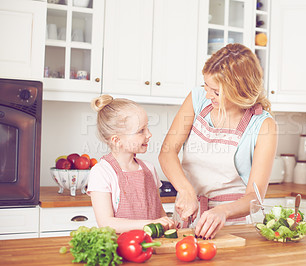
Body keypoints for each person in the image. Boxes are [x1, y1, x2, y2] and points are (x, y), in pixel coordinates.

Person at [158, 43, 278, 239]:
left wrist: (223, 212)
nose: (207, 95)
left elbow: (254, 197)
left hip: (230, 225)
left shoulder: (263, 125)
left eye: (216, 92)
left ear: (239, 90)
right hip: (188, 213)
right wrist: (186, 191)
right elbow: (167, 152)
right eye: (206, 86)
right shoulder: (197, 99)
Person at [87, 94, 175, 233]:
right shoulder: (101, 172)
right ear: (117, 140)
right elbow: (106, 223)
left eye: (147, 128)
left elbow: (159, 213)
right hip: (121, 247)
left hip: (153, 244)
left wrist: (168, 224)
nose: (149, 134)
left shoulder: (149, 169)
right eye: (141, 131)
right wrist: (150, 224)